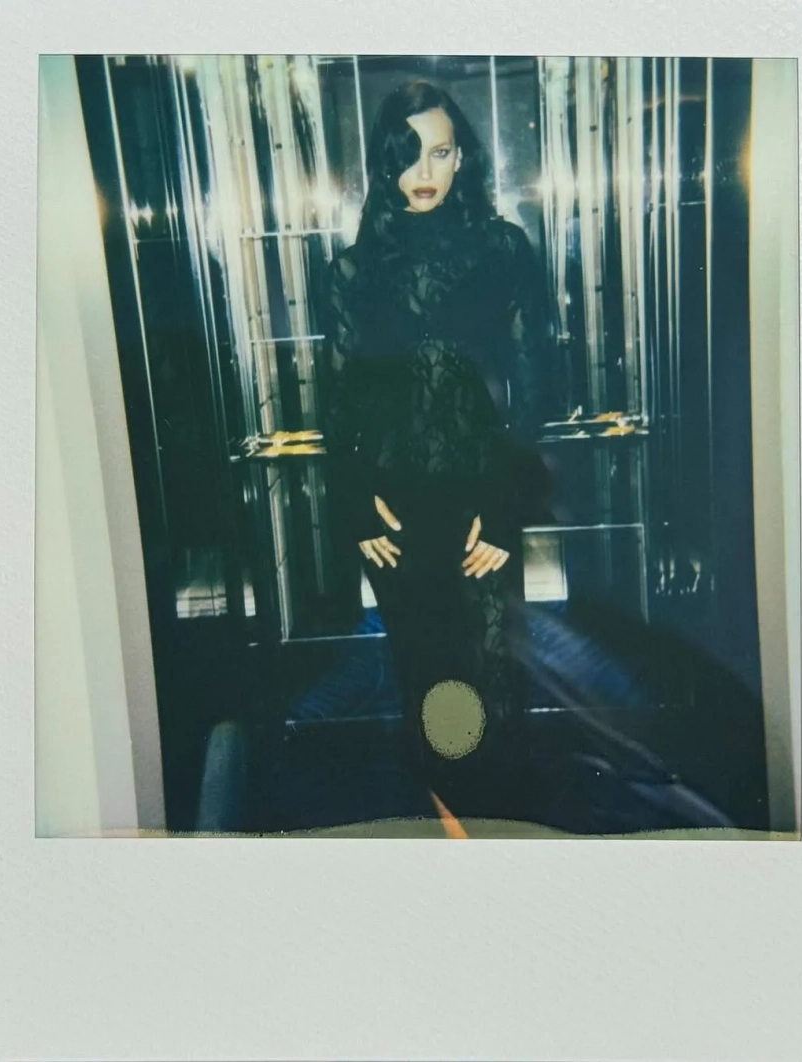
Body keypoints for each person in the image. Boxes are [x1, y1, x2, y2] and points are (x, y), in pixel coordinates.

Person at [319, 79, 551, 816]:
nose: (423, 172)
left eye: (440, 153)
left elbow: (534, 388)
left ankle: (501, 823)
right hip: (396, 510)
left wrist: (507, 506)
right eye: (407, 154)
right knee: (427, 677)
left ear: (462, 159)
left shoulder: (503, 251)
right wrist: (356, 503)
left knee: (492, 676)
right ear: (384, 162)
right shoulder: (352, 273)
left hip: (483, 499)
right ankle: (452, 826)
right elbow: (338, 407)